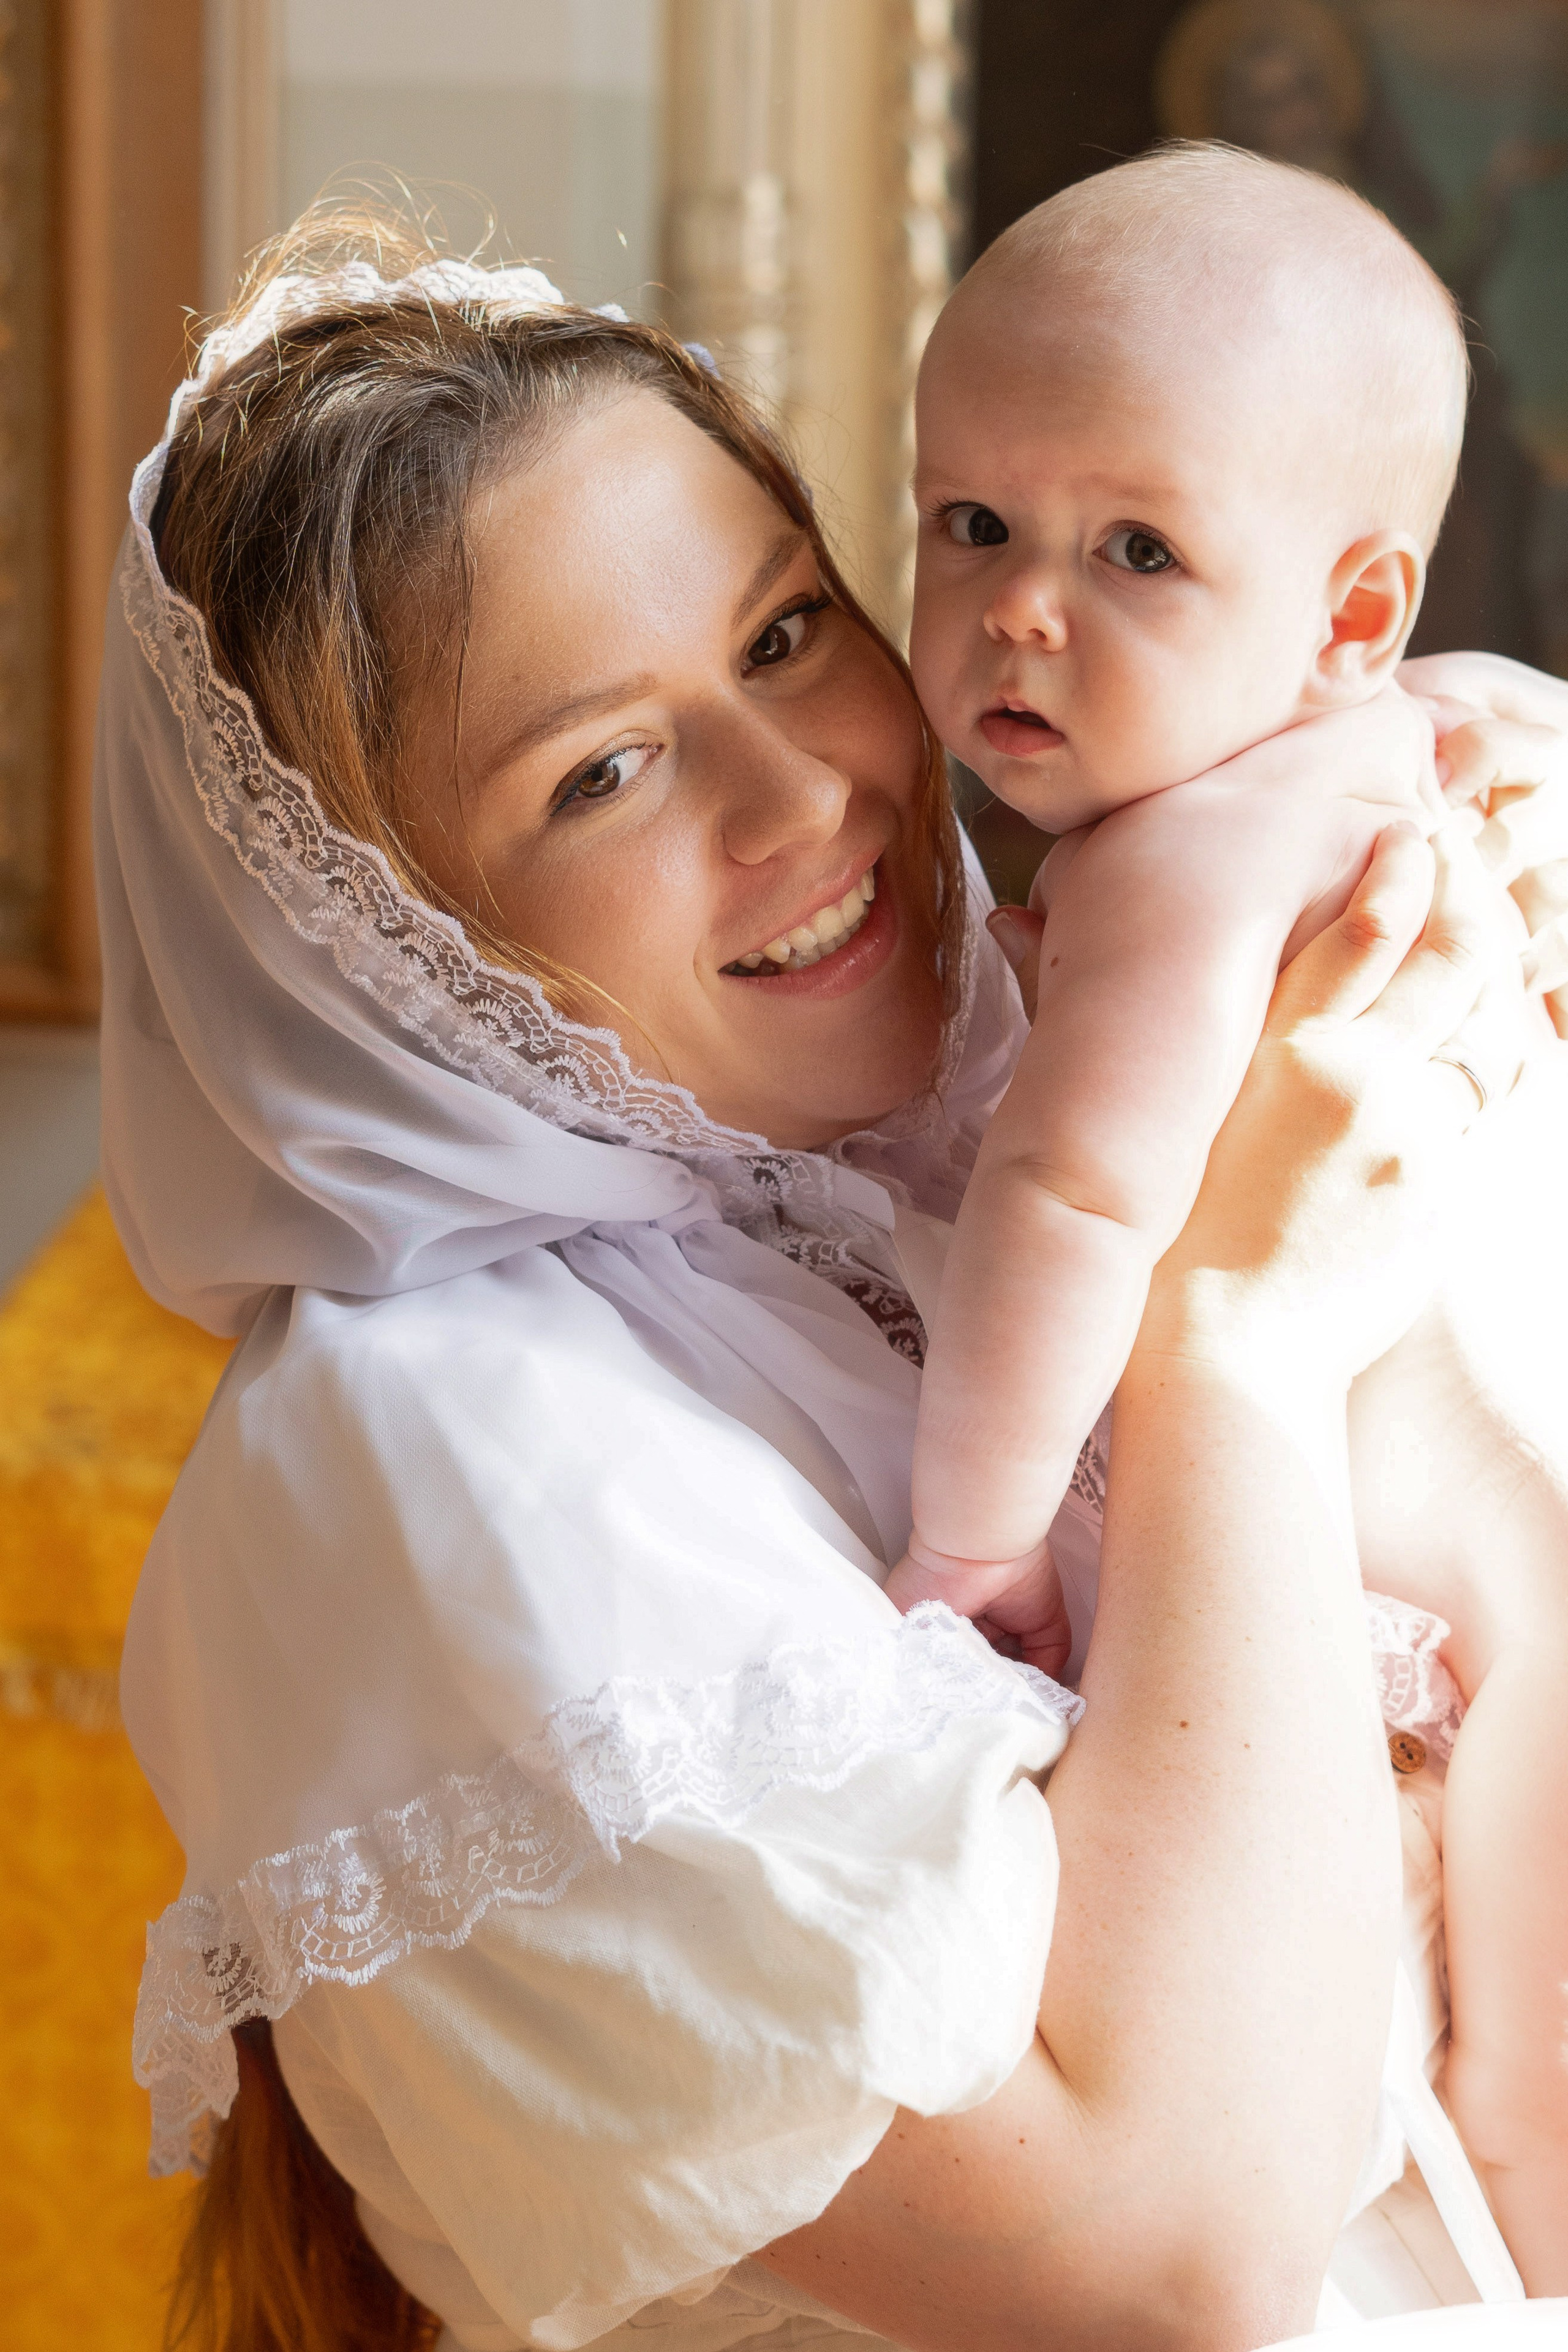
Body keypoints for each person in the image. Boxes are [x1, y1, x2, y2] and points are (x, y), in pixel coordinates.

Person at [99, 216, 1566, 2352]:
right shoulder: (431, 1459)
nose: (813, 794)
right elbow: (1176, 2263)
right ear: (382, 944)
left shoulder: (1008, 1113)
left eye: (789, 634)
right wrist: (1230, 1342)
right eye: (602, 771)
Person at [889, 146, 1568, 2291]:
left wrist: (971, 1540)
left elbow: (1071, 1201)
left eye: (1138, 551)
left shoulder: (1190, 868)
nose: (1021, 609)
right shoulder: (1427, 722)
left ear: (1345, 611)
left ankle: (1531, 2212)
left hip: (1422, 1465)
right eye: (969, 522)